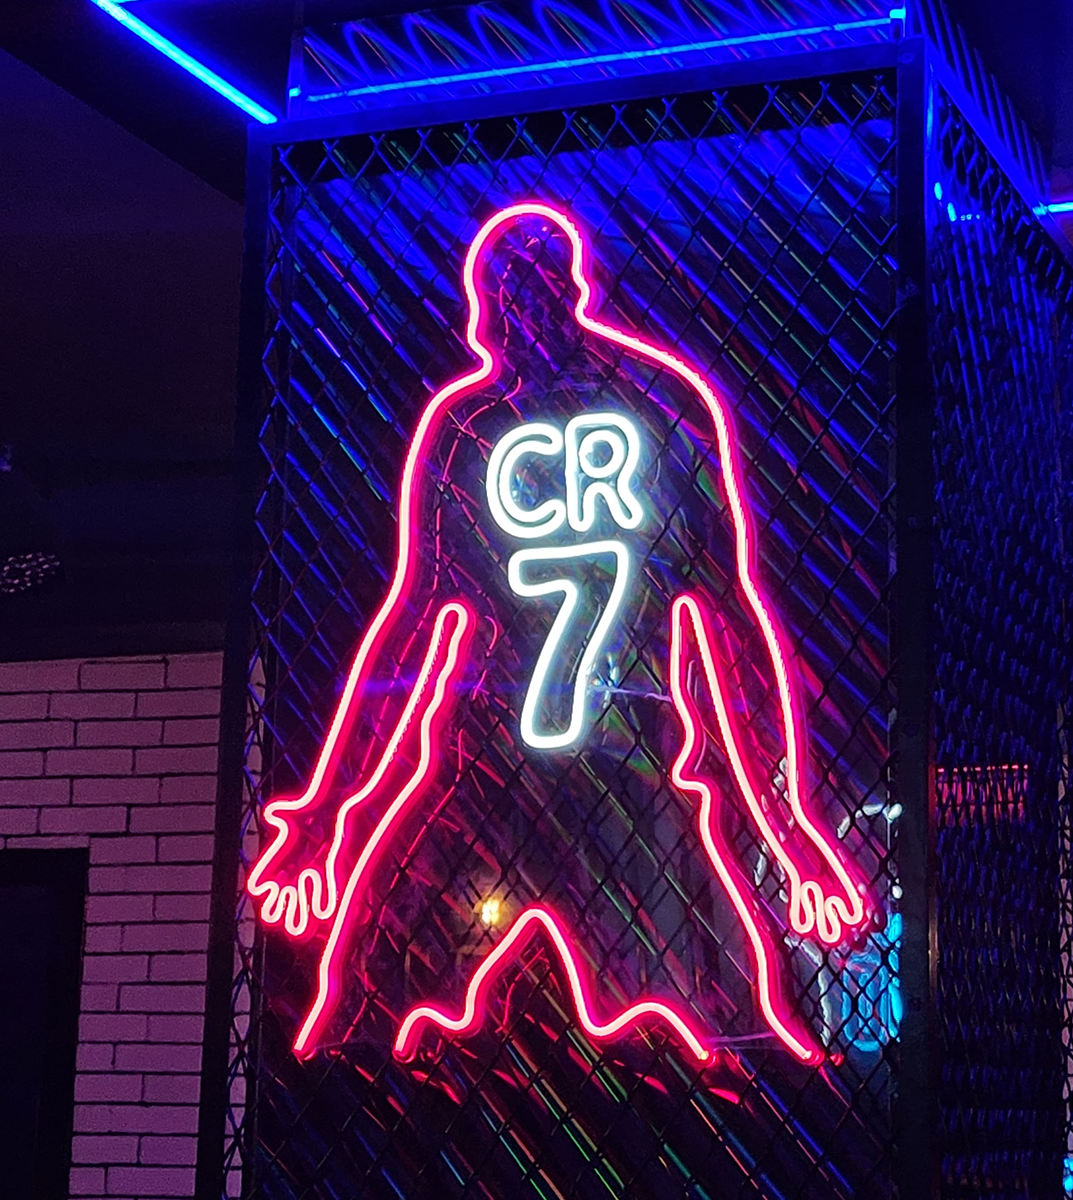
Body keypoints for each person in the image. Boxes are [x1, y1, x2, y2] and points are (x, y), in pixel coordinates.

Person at [248, 202, 868, 1066]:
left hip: (615, 772)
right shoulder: (480, 427)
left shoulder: (627, 408)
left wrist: (791, 830)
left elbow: (731, 627)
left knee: (716, 1030)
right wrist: (325, 818)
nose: (505, 324)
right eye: (499, 301)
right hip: (507, 774)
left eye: (520, 298)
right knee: (365, 1015)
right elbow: (410, 631)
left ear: (565, 293)